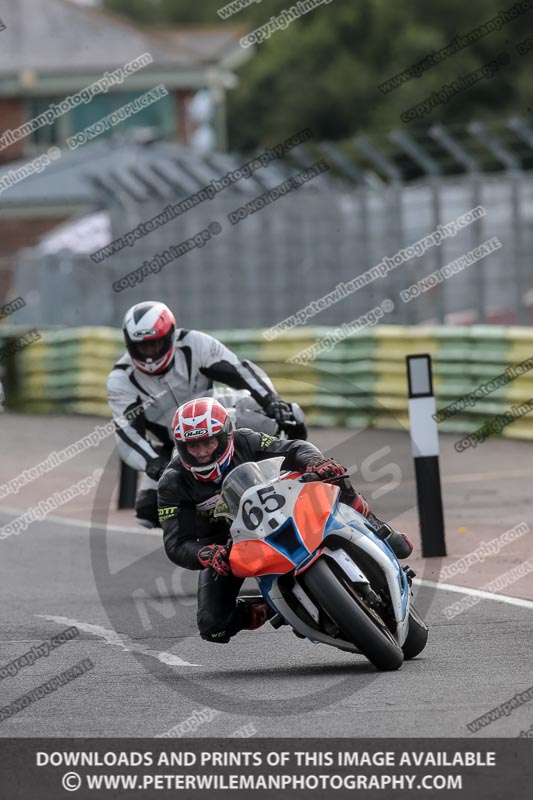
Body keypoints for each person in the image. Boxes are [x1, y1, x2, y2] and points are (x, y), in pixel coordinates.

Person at [158, 397, 413, 645]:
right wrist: (205, 554)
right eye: (193, 446)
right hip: (228, 546)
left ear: (225, 436)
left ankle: (378, 528)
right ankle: (272, 606)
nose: (202, 453)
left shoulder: (246, 440)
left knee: (333, 473)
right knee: (213, 627)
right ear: (181, 447)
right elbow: (176, 544)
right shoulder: (172, 482)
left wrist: (316, 463)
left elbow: (295, 448)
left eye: (209, 443)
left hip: (279, 509)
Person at [107, 300, 303, 528]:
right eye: (142, 347)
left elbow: (241, 371)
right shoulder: (120, 379)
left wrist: (272, 400)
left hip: (220, 419)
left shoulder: (194, 344)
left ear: (170, 336)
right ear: (130, 344)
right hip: (175, 445)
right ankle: (213, 534)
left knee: (286, 418)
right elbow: (127, 434)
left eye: (155, 344)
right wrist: (153, 463)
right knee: (148, 512)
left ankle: (296, 479)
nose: (149, 354)